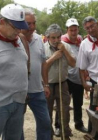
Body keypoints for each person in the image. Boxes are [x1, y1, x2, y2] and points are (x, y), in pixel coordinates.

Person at [21, 8, 51, 140]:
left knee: (45, 123)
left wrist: (46, 84)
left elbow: (43, 63)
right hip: (19, 92)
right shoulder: (14, 41)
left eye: (34, 23)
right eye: (28, 24)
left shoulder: (39, 39)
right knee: (16, 126)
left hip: (37, 90)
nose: (32, 27)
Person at [0, 4, 29, 140]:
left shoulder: (19, 40)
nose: (18, 31)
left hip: (18, 103)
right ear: (2, 22)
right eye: (15, 27)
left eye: (20, 27)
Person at [44, 24, 76, 140]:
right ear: (47, 37)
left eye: (58, 37)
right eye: (53, 38)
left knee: (64, 111)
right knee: (47, 112)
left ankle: (65, 134)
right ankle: (48, 136)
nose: (56, 40)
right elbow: (42, 67)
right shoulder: (43, 48)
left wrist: (64, 52)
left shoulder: (66, 46)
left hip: (63, 83)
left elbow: (73, 63)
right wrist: (53, 57)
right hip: (47, 84)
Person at [61, 18, 88, 133]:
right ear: (67, 30)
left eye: (75, 30)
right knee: (64, 105)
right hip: (66, 77)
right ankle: (60, 126)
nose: (73, 32)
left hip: (78, 77)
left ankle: (78, 123)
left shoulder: (80, 40)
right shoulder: (62, 41)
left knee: (78, 103)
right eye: (71, 30)